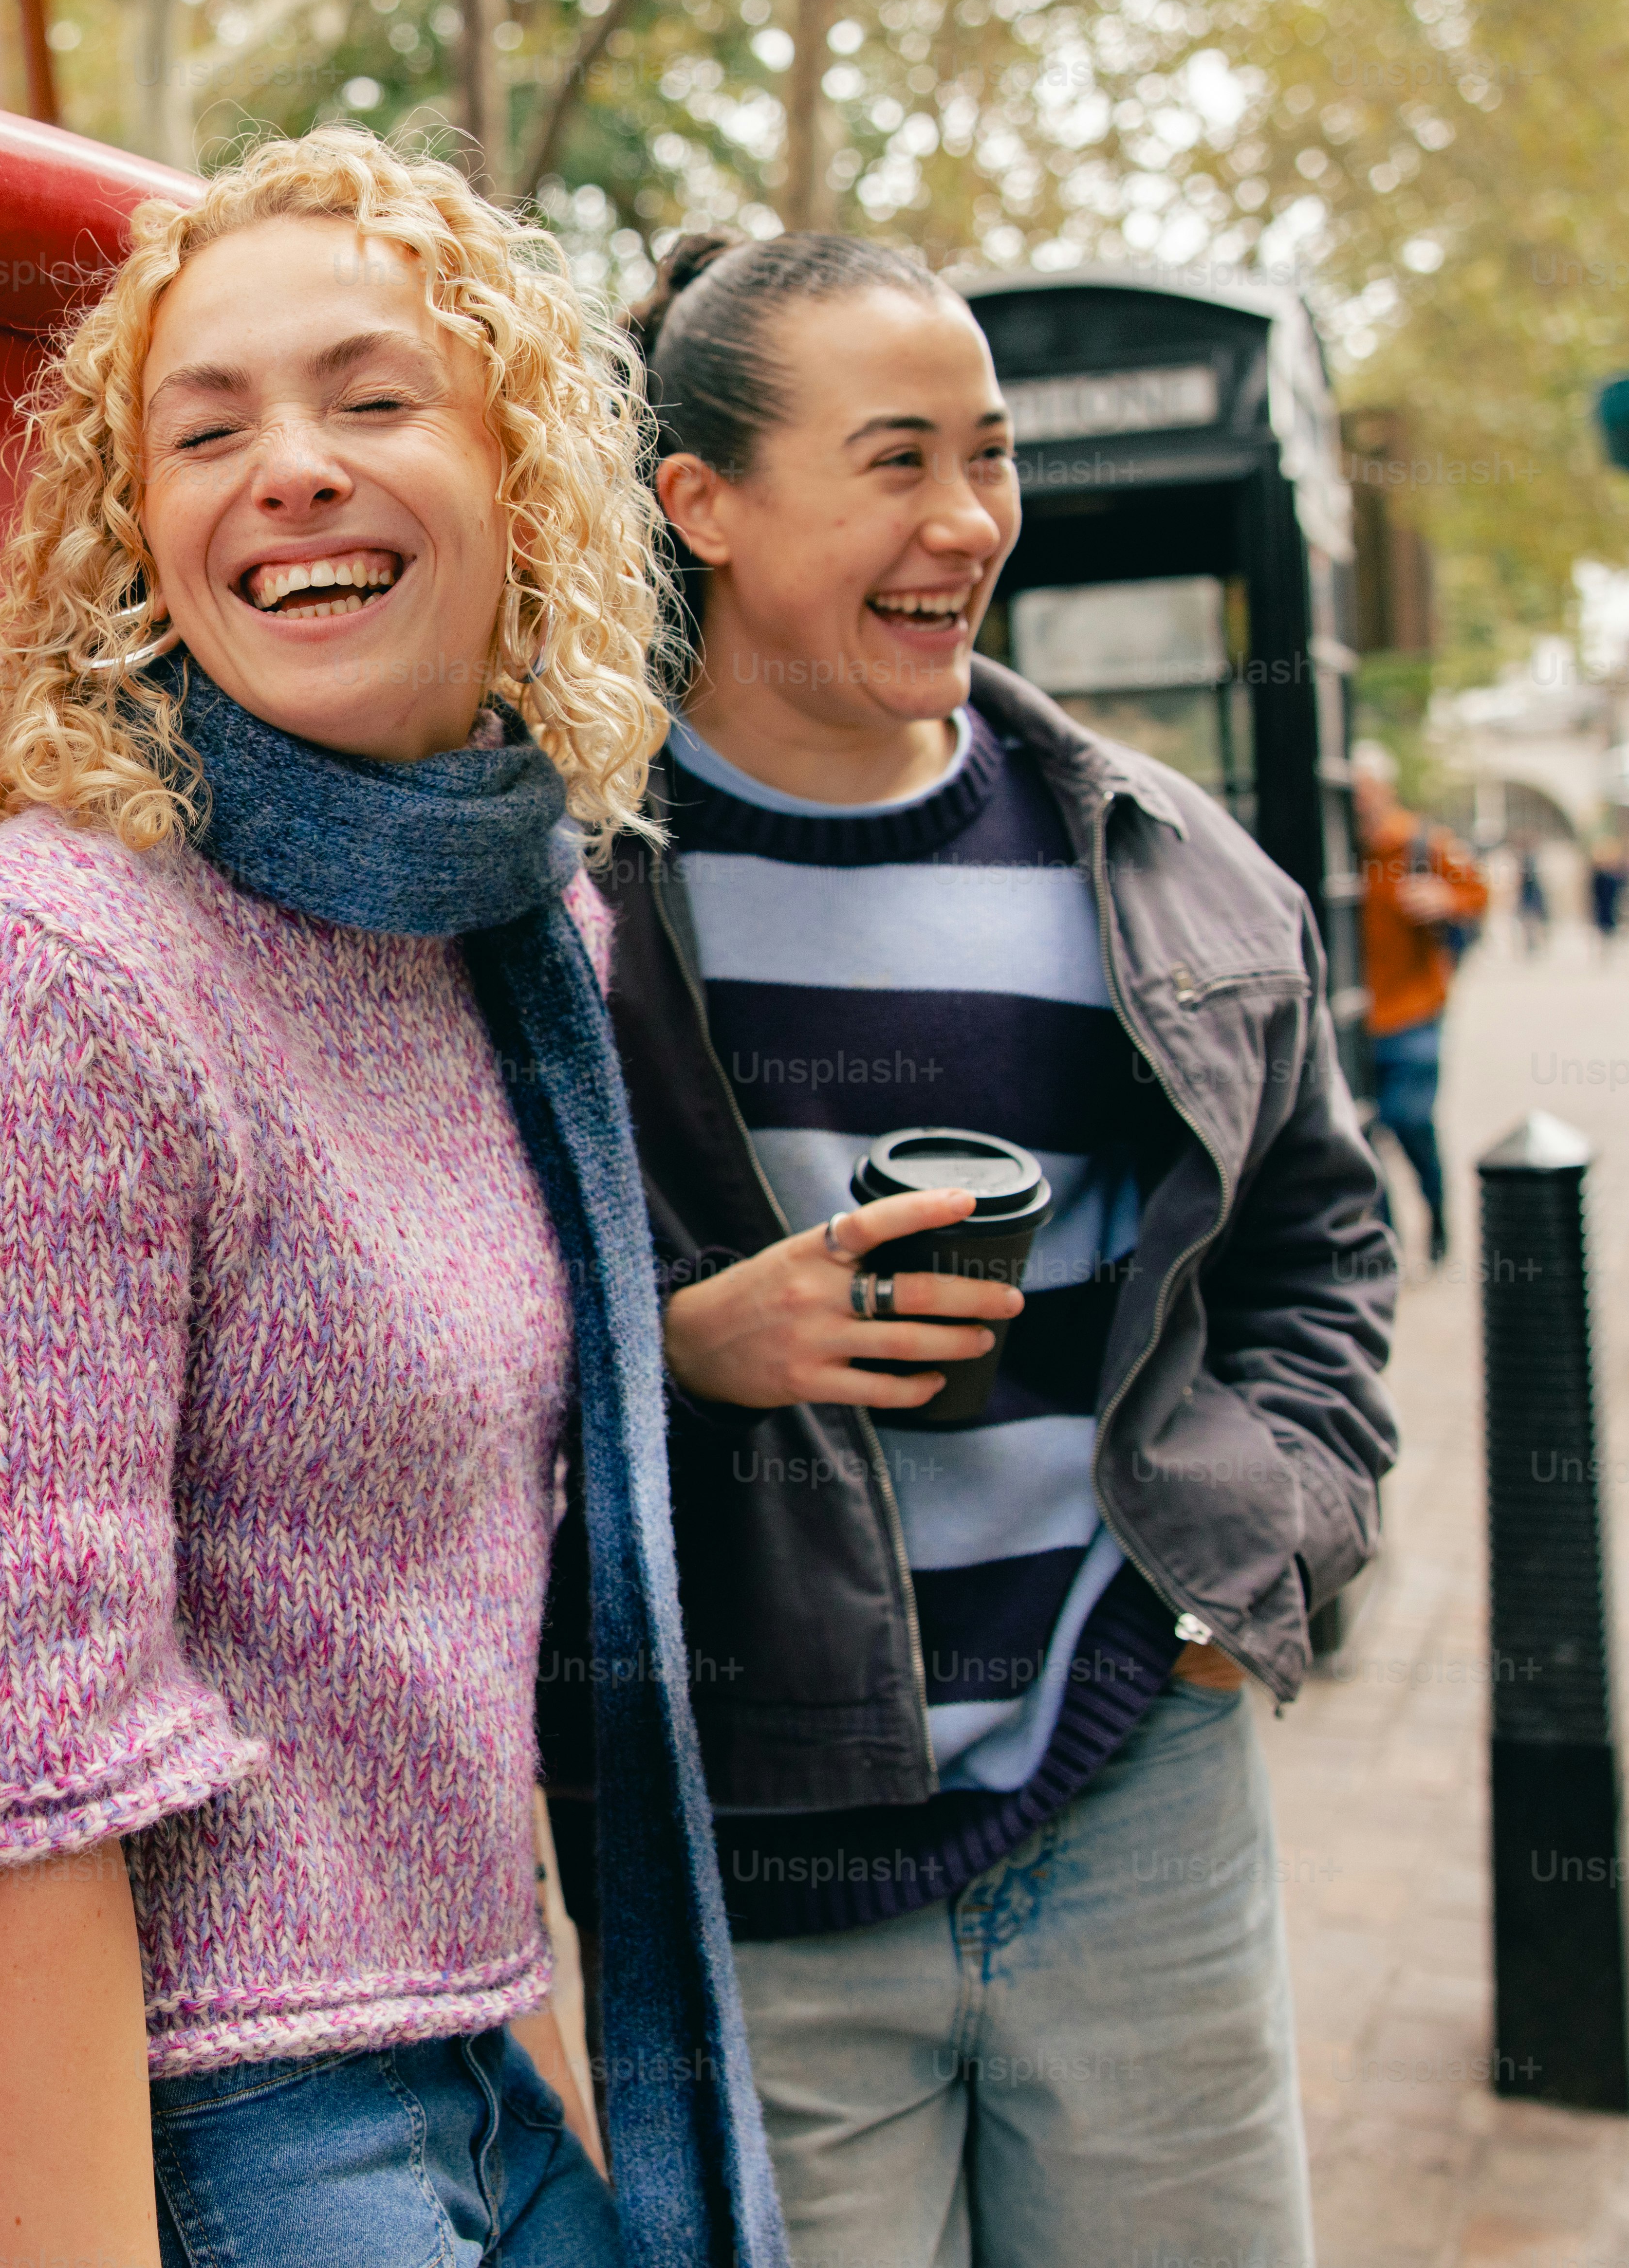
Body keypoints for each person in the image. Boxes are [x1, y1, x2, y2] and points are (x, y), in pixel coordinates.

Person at [0, 128, 779, 2268]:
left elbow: (431, 1514)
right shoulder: (57, 981)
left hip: (439, 2044)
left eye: (369, 396)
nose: (292, 467)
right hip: (145, 2113)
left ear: (517, 475)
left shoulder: (505, 932)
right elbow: (6, 1779)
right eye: (209, 426)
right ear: (138, 534)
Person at [548, 226, 1398, 2268]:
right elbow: (417, 1325)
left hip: (1134, 1784)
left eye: (990, 459)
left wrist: (1255, 1547)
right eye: (899, 460)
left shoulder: (1163, 858)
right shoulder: (556, 903)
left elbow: (1319, 1241)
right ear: (707, 506)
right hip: (746, 1844)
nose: (967, 523)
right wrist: (677, 1342)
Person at [1351, 742, 1487, 1263]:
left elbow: (1478, 894)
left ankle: (1436, 1216)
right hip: (1354, 1016)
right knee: (1362, 1135)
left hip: (1413, 1009)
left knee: (1407, 1120)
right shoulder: (1335, 846)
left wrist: (1444, 900)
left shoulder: (1418, 842)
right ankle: (1383, 1238)